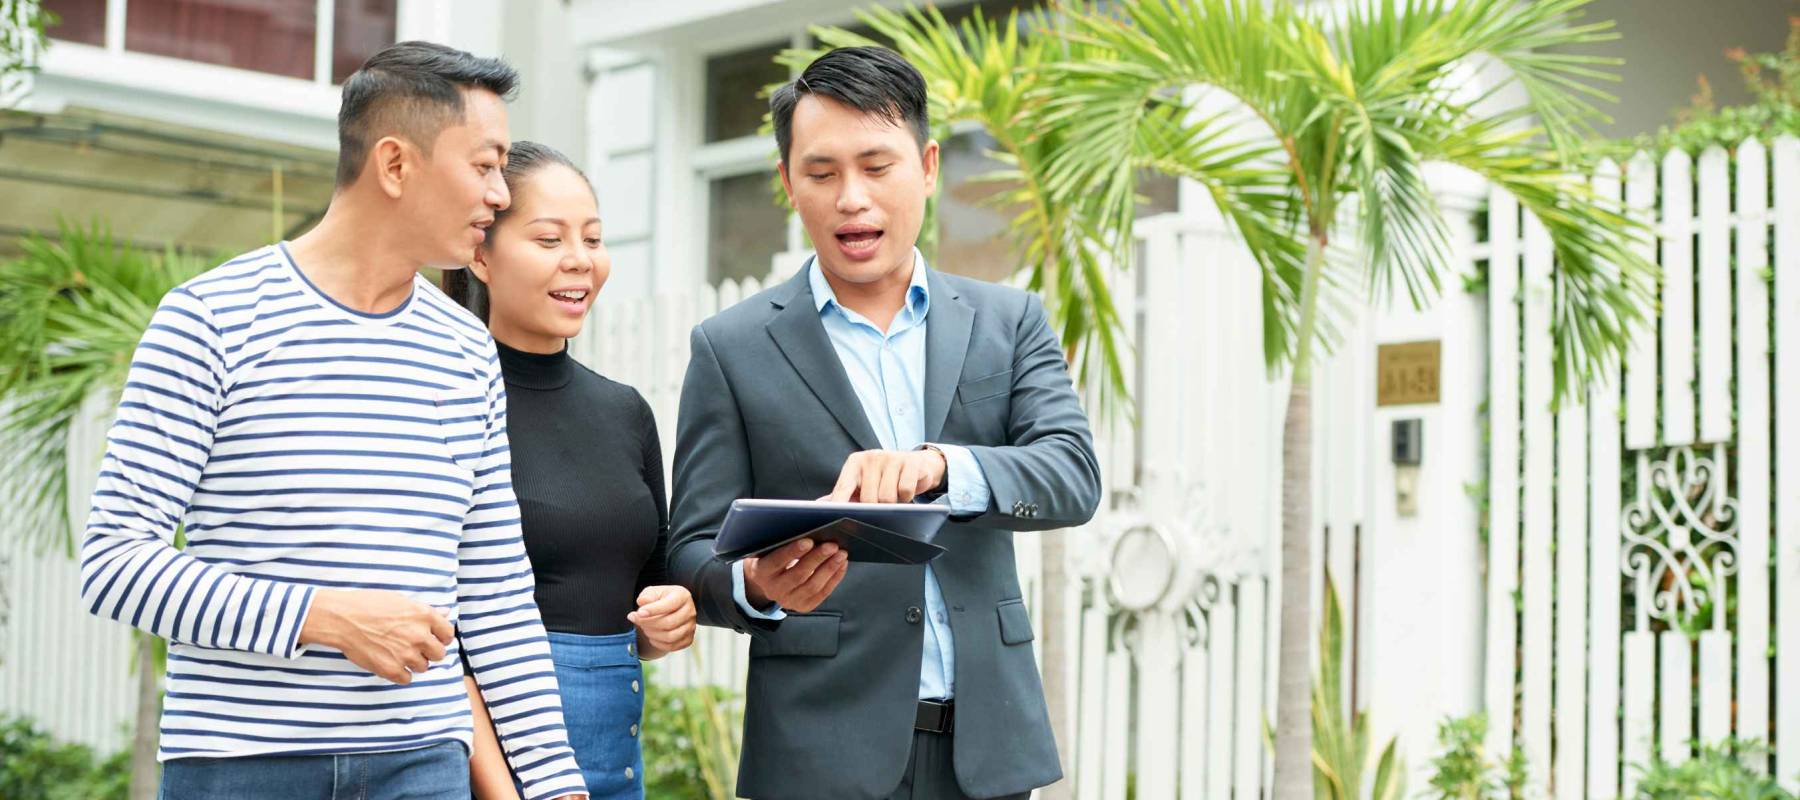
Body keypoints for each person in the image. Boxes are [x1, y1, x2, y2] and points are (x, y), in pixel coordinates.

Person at [77, 42, 587, 800]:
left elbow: (497, 595)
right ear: (394, 164)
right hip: (240, 767)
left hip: (424, 763)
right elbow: (114, 562)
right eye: (483, 165)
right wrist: (322, 617)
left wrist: (555, 783)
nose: (499, 195)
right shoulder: (211, 320)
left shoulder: (465, 352)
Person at [667, 45, 1102, 800]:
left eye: (877, 166)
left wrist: (941, 466)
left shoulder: (1009, 321)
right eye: (822, 173)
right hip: (815, 754)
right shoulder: (730, 348)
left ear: (928, 168)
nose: (852, 198)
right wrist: (758, 587)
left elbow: (1072, 475)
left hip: (986, 750)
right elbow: (690, 551)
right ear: (787, 184)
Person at [441, 141, 697, 800]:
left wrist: (669, 619)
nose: (580, 260)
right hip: (484, 762)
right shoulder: (446, 401)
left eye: (593, 238)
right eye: (549, 238)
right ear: (481, 253)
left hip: (614, 756)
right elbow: (439, 629)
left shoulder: (626, 411)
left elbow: (646, 584)